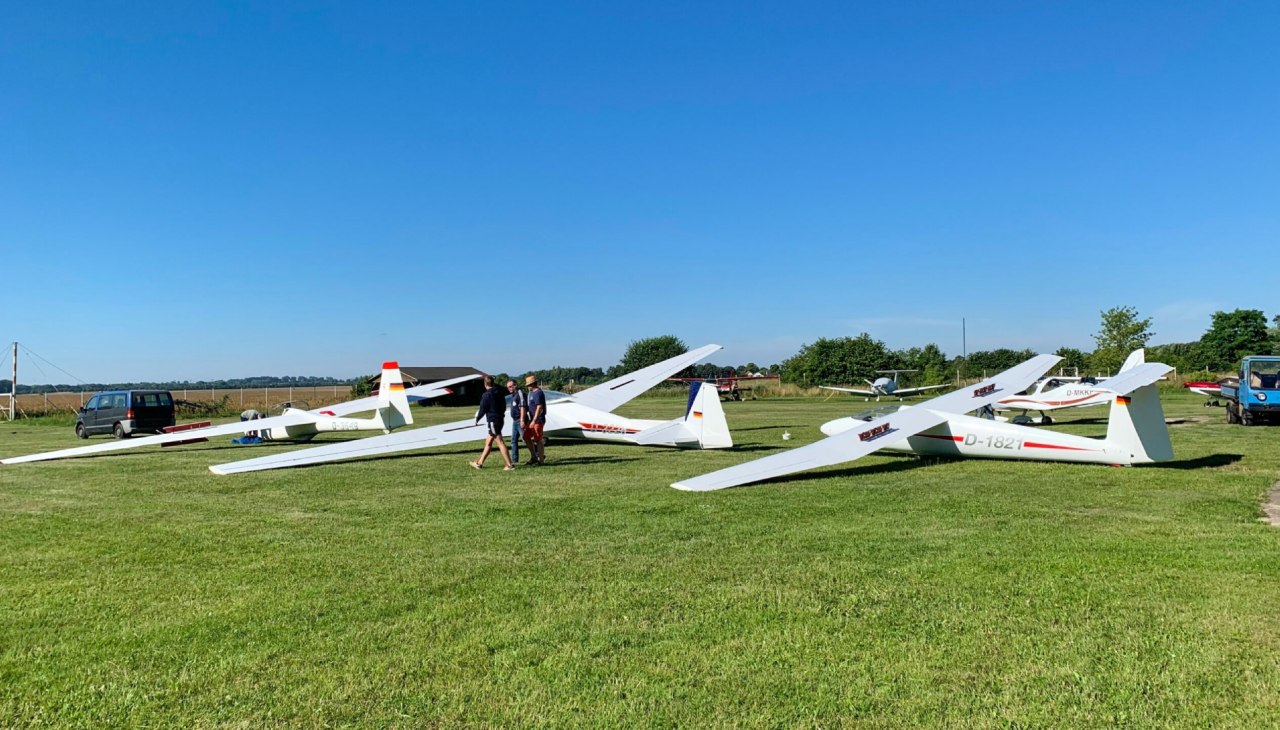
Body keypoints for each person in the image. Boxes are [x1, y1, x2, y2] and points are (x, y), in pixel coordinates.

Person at [471, 375, 515, 471]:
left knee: (500, 442)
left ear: (485, 384)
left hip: (493, 421)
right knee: (488, 442)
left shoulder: (486, 395)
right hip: (500, 419)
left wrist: (477, 419)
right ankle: (479, 463)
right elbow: (503, 405)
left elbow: (482, 409)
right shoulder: (499, 392)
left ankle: (509, 465)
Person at [523, 375, 547, 465]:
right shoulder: (533, 393)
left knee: (538, 439)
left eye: (528, 385)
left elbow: (539, 407)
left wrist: (534, 420)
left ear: (533, 384)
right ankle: (534, 457)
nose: (527, 387)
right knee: (526, 437)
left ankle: (541, 460)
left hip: (537, 420)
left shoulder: (538, 393)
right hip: (532, 419)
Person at [506, 379, 527, 464]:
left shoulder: (520, 393)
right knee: (513, 440)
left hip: (520, 420)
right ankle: (514, 460)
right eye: (508, 387)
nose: (509, 388)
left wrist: (522, 420)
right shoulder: (513, 395)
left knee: (526, 439)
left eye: (511, 386)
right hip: (515, 421)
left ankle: (537, 453)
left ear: (516, 385)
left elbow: (523, 407)